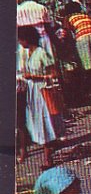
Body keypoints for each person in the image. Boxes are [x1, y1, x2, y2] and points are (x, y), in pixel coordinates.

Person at [17, 25, 64, 168]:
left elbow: (54, 74)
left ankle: (48, 159)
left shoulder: (41, 53)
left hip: (42, 90)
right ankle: (48, 156)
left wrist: (36, 76)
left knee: (45, 121)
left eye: (20, 40)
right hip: (32, 91)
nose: (19, 43)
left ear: (26, 39)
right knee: (37, 122)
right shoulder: (28, 54)